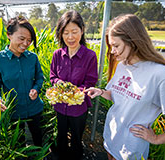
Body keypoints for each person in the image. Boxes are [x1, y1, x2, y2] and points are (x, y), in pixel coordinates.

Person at [86, 14, 165, 160]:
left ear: (132, 41)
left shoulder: (162, 76)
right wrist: (101, 92)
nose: (112, 51)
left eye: (116, 45)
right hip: (111, 137)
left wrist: (157, 139)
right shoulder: (122, 66)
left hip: (131, 150)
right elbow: (118, 96)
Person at [0, 16, 44, 148]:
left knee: (38, 139)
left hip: (34, 107)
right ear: (9, 35)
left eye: (29, 40)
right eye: (22, 39)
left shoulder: (32, 58)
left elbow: (39, 78)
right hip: (13, 111)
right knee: (18, 144)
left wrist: (36, 88)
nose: (25, 44)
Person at [50, 10, 98, 160]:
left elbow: (90, 82)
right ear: (61, 34)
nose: (70, 37)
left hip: (78, 107)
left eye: (74, 32)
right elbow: (53, 76)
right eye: (65, 33)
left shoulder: (90, 56)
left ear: (82, 30)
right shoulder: (57, 54)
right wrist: (60, 85)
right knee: (61, 134)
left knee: (77, 137)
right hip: (60, 105)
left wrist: (72, 92)